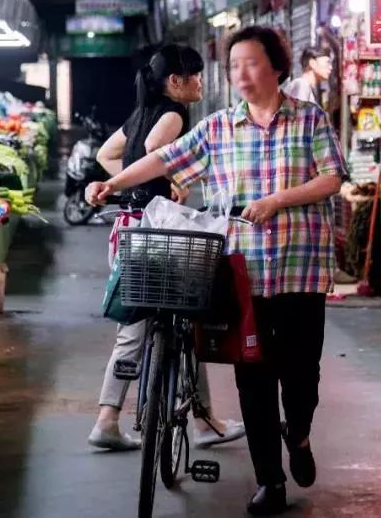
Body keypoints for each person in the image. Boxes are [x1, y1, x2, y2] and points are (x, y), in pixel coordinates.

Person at [86, 26, 346, 516]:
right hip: (243, 277)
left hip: (301, 272)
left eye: (250, 63)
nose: (240, 74)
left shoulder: (310, 121)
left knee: (301, 377)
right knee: (253, 380)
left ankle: (301, 432)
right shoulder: (217, 127)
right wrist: (110, 183)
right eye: (233, 66)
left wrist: (278, 201)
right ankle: (271, 481)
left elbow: (332, 178)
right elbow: (163, 158)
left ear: (275, 67)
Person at [88, 44, 245, 452]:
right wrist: (173, 181)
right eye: (194, 75)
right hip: (160, 233)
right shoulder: (173, 114)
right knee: (187, 318)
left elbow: (108, 154)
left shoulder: (139, 112)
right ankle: (203, 420)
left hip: (127, 228)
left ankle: (111, 418)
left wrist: (129, 184)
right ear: (175, 82)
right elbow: (154, 152)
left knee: (134, 327)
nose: (201, 82)